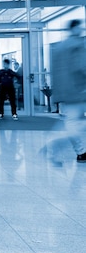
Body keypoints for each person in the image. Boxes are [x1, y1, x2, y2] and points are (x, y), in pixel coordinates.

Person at [48, 19, 86, 163]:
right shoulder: (77, 45)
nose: (82, 30)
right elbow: (82, 67)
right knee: (73, 123)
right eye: (80, 27)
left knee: (71, 122)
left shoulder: (59, 48)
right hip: (79, 90)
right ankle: (56, 141)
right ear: (74, 29)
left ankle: (81, 151)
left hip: (66, 92)